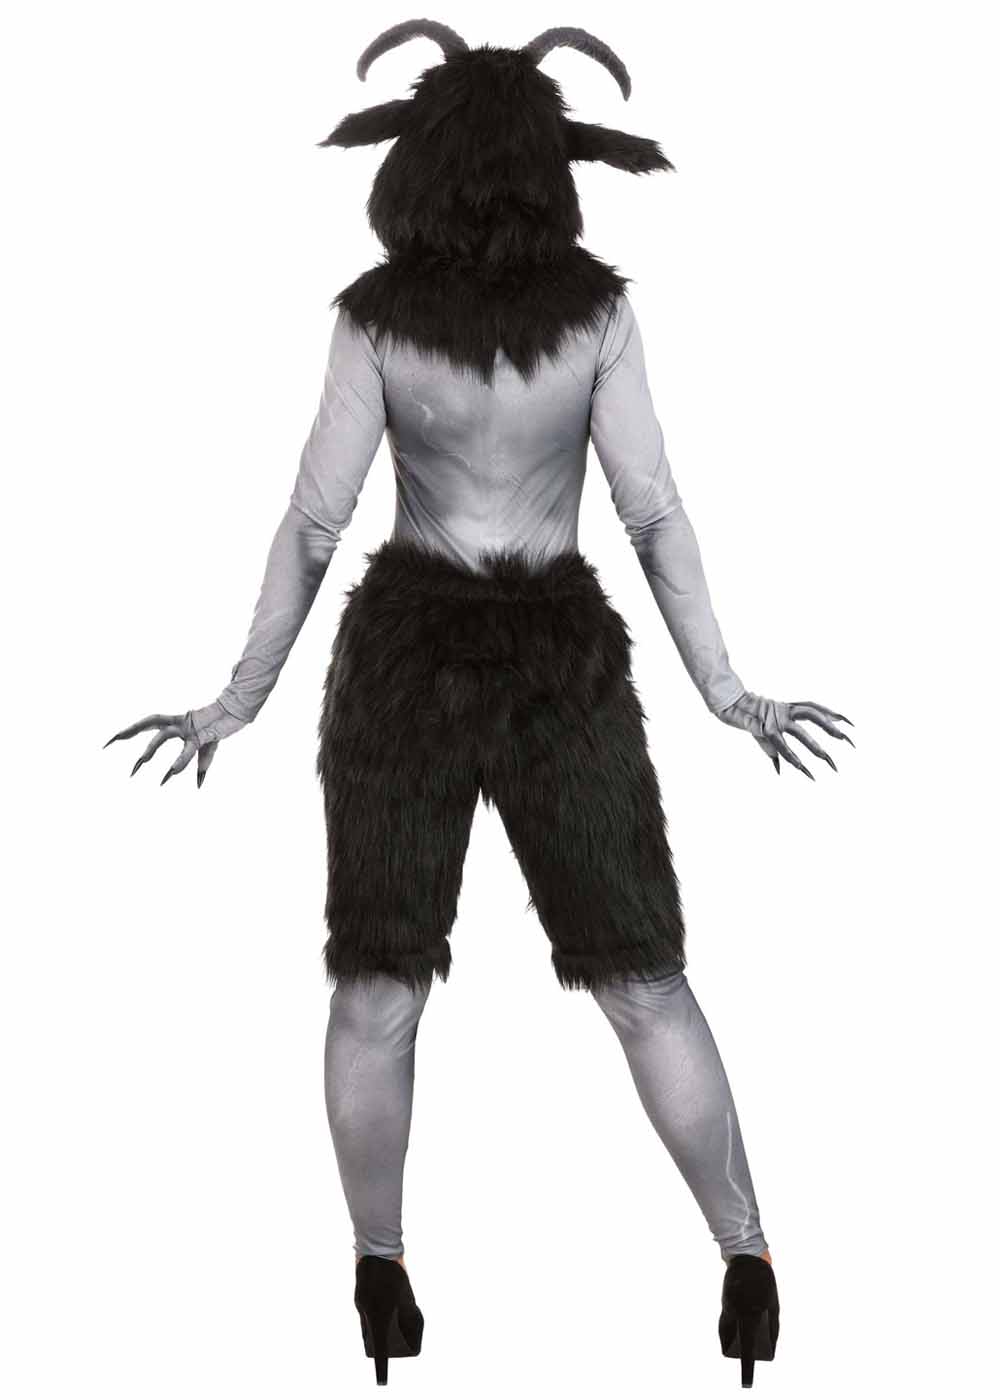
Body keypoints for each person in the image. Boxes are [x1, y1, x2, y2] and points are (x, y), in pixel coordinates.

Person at [105, 22, 853, 1388]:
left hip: (407, 660)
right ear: (552, 168)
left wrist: (237, 701)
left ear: (420, 163)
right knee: (644, 982)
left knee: (377, 989)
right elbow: (653, 513)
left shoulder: (377, 319)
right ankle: (747, 1258)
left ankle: (379, 1271)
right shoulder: (598, 318)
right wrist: (728, 692)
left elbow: (316, 523)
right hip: (559, 658)